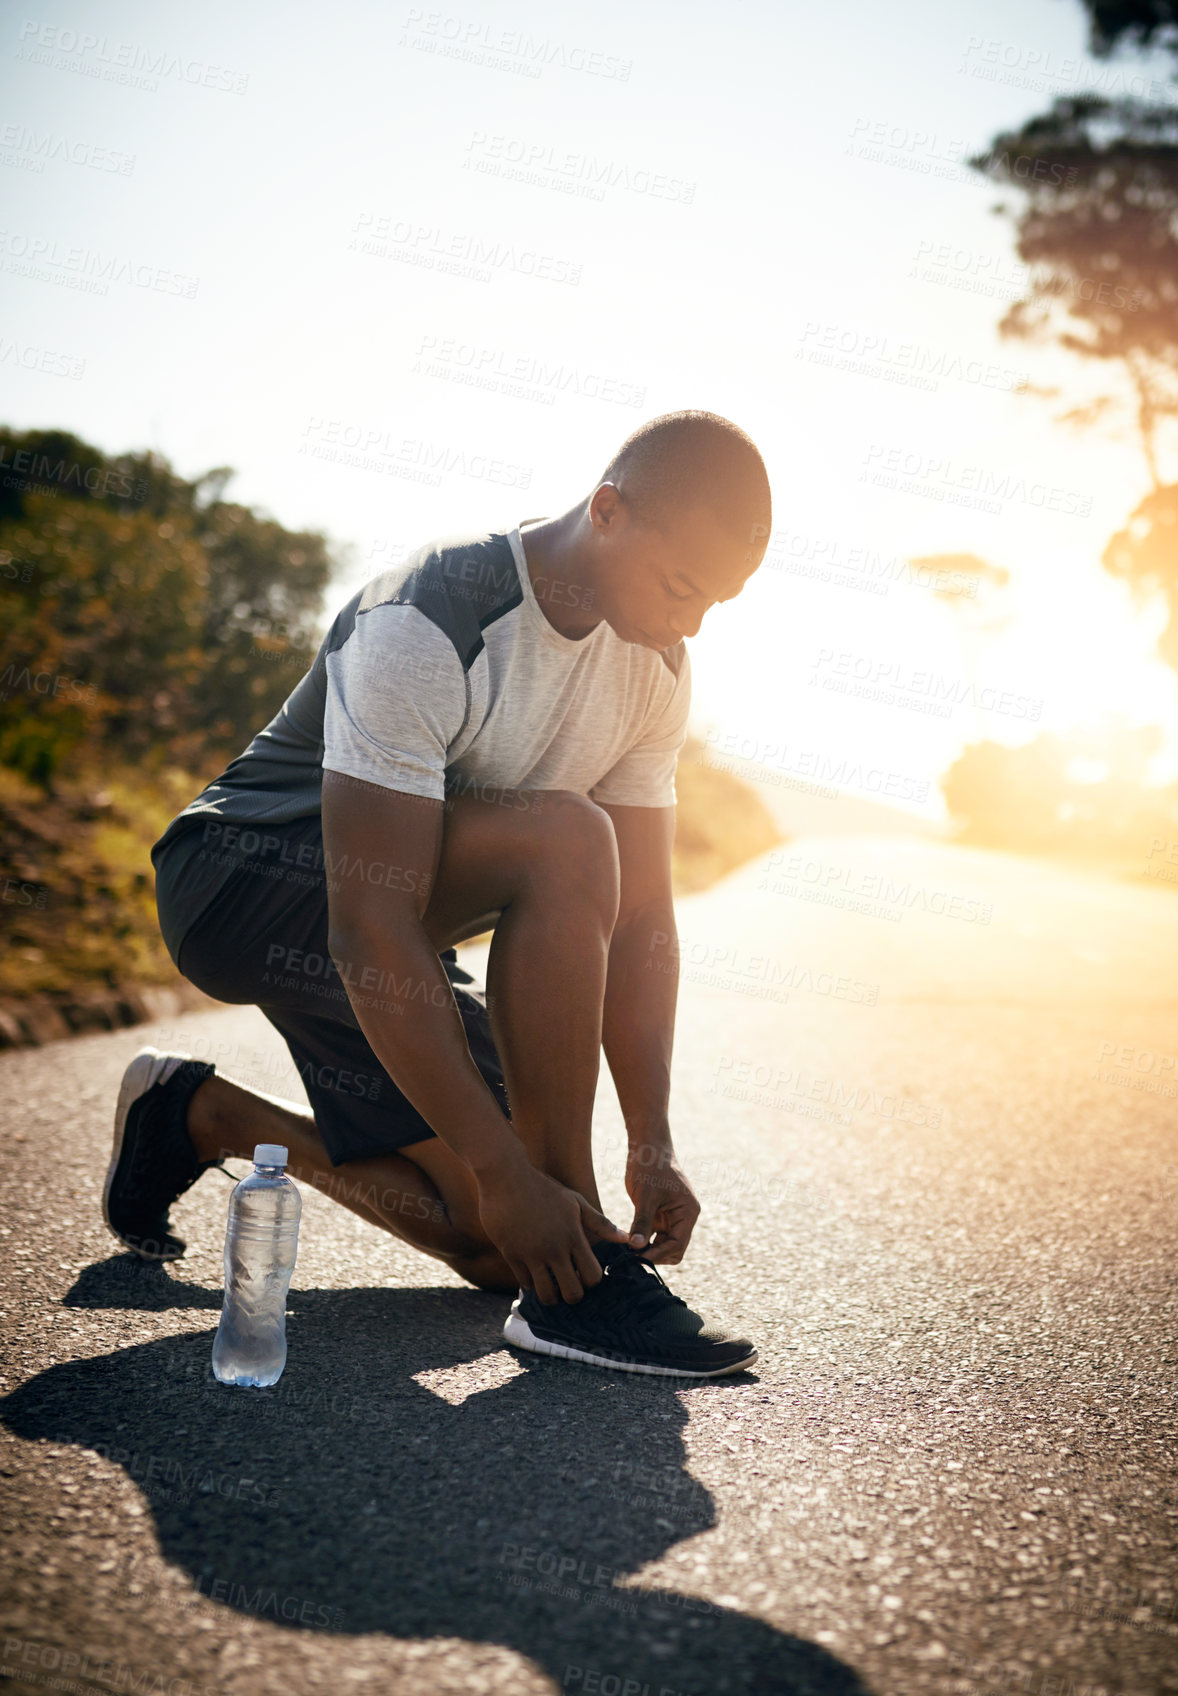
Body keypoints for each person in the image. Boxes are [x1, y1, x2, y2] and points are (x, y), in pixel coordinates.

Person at [104, 410, 771, 1378]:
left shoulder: (656, 665)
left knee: (501, 1244)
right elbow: (367, 919)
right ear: (608, 510)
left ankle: (195, 1114)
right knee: (565, 840)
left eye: (716, 601)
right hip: (244, 886)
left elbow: (640, 923)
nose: (690, 621)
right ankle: (581, 1287)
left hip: (389, 920)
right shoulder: (428, 616)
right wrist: (515, 1171)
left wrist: (653, 1139)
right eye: (680, 586)